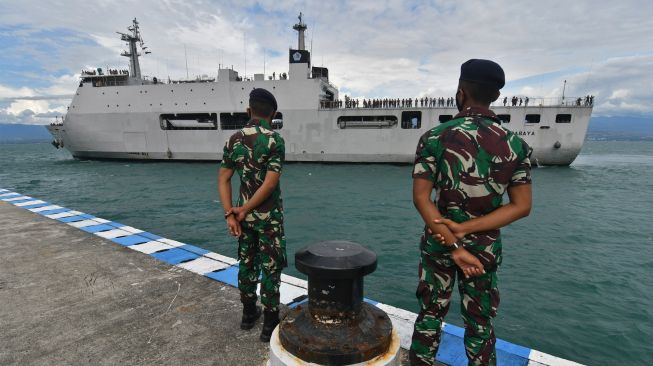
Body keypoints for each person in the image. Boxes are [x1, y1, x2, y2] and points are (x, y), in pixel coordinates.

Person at [409, 59, 532, 366]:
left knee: (429, 316)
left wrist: (453, 241)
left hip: (439, 242)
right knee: (480, 325)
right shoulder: (517, 145)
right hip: (484, 251)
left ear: (461, 91)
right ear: (496, 96)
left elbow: (421, 199)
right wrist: (467, 231)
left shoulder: (435, 137)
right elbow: (522, 206)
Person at [218, 88, 287, 342]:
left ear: (249, 111)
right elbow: (270, 184)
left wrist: (231, 214)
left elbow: (224, 178)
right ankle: (269, 325)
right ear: (274, 114)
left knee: (247, 264)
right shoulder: (274, 140)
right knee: (271, 267)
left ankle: (248, 315)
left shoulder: (233, 140)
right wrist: (247, 209)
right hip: (269, 219)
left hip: (242, 219)